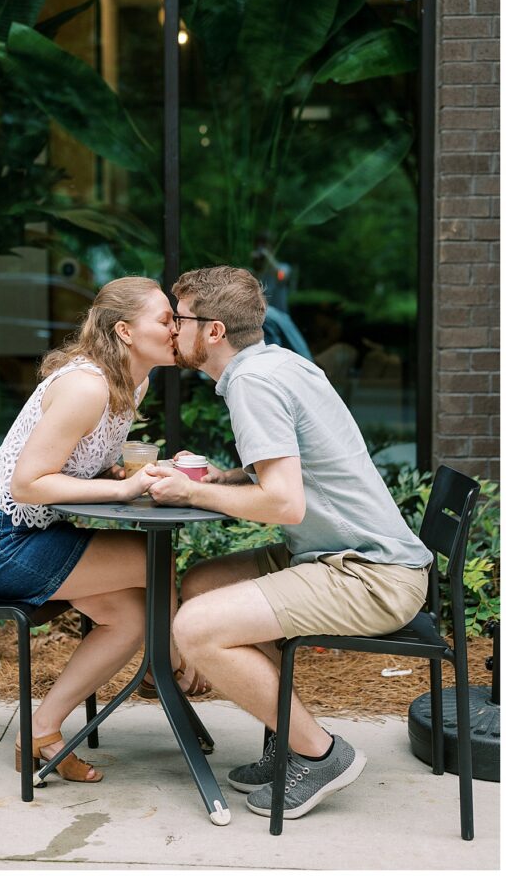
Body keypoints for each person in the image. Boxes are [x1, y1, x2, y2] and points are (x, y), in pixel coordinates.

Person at [145, 266, 432, 820]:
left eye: (178, 318)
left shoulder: (253, 383)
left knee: (194, 626)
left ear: (213, 331)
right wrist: (224, 478)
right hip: (340, 553)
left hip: (366, 572)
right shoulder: (277, 362)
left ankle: (320, 753)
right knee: (202, 581)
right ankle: (284, 740)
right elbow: (290, 476)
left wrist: (192, 494)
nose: (170, 328)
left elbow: (284, 503)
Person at [0, 276, 203, 784]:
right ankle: (175, 666)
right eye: (166, 319)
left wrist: (119, 473)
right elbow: (28, 484)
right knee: (147, 560)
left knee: (134, 615)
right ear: (125, 331)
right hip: (0, 541)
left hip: (36, 533)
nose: (178, 329)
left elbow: (75, 465)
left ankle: (41, 730)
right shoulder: (86, 386)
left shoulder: (133, 382)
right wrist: (122, 490)